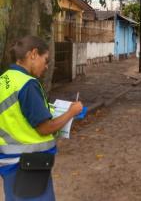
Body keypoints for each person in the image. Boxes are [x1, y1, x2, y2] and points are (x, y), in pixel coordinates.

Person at [0, 35, 83, 201]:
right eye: (45, 60)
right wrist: (71, 112)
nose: (46, 66)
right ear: (33, 54)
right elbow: (45, 128)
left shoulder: (5, 80)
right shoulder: (27, 84)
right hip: (28, 166)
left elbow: (17, 114)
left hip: (8, 165)